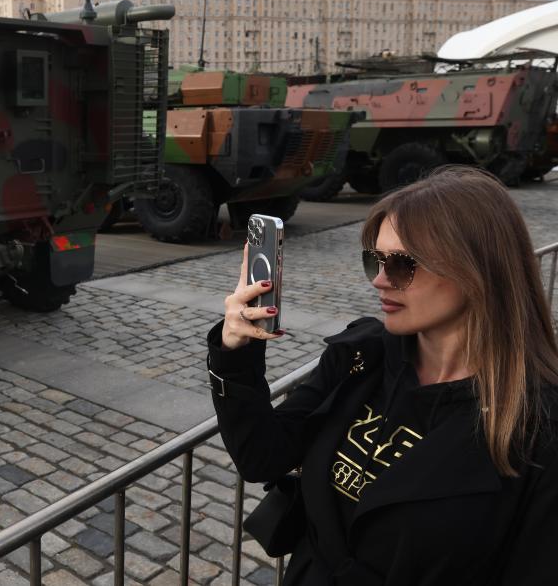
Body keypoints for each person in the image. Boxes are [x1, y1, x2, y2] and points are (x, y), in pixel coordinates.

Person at [207, 166, 558, 586]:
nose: (379, 280)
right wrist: (235, 352)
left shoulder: (537, 424)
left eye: (403, 265)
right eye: (374, 259)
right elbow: (263, 456)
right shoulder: (363, 356)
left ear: (476, 270)